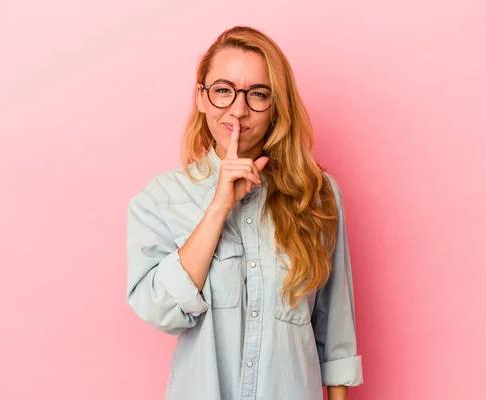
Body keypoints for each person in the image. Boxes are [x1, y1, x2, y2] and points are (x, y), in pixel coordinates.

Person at [126, 25, 363, 400]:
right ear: (201, 98)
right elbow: (160, 310)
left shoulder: (316, 195)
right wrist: (219, 206)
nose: (238, 109)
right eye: (223, 90)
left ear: (276, 106)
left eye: (257, 94)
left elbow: (336, 329)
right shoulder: (161, 199)